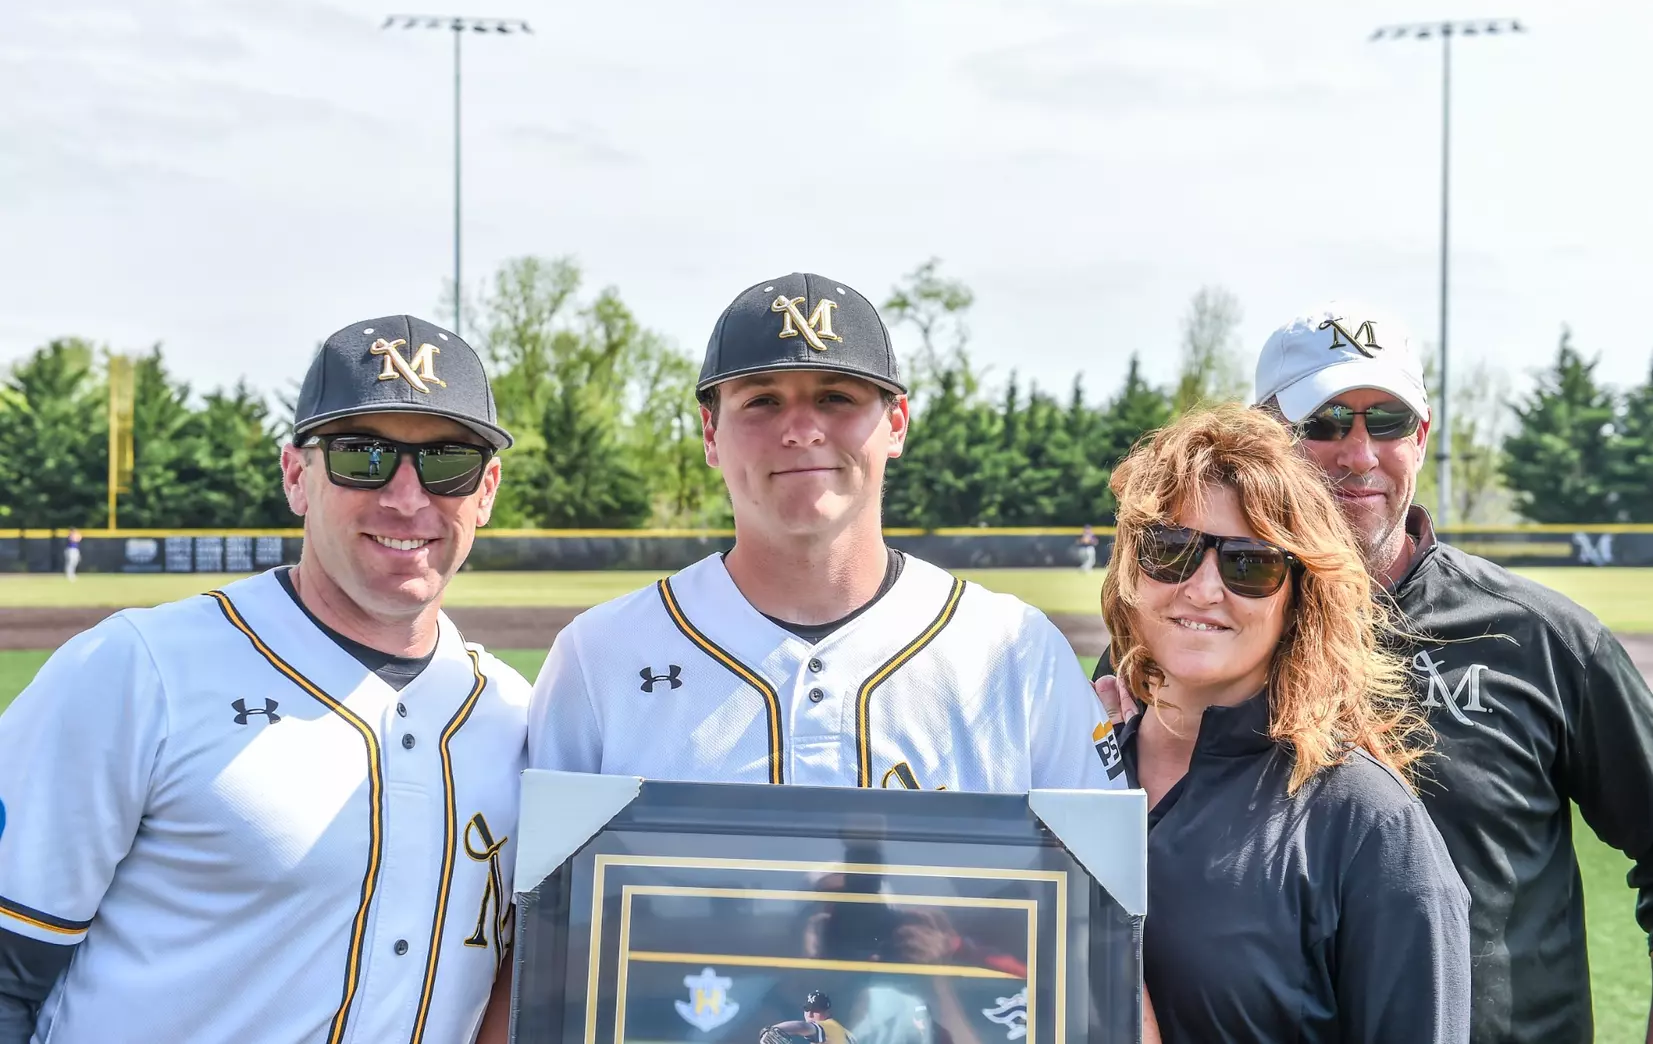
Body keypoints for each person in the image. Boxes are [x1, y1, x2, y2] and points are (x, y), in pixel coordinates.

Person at [1098, 303, 1653, 1044]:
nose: (1357, 454)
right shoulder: (1173, 654)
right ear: (1263, 438)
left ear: (1420, 437)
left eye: (1385, 422)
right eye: (1322, 422)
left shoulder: (1540, 638)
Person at [0, 315, 530, 1043]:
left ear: (486, 490)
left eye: (447, 463)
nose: (407, 498)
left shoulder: (516, 719)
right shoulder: (138, 671)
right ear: (295, 477)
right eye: (362, 455)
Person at [526, 272, 1123, 792]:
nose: (802, 430)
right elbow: (546, 908)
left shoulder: (1016, 652)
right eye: (762, 400)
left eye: (837, 397)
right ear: (710, 433)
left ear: (896, 424)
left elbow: (1095, 903)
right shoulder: (599, 657)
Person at [1099, 401, 1470, 1043]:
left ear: (1300, 597)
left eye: (1249, 563)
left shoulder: (1363, 821)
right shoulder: (1067, 762)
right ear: (1131, 568)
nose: (1204, 588)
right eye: (1170, 549)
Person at [760, 990, 858, 1044]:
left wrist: (776, 1029)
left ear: (828, 1012)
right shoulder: (847, 1034)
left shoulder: (830, 1027)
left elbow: (802, 1027)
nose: (810, 1014)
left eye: (816, 1010)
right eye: (807, 1009)